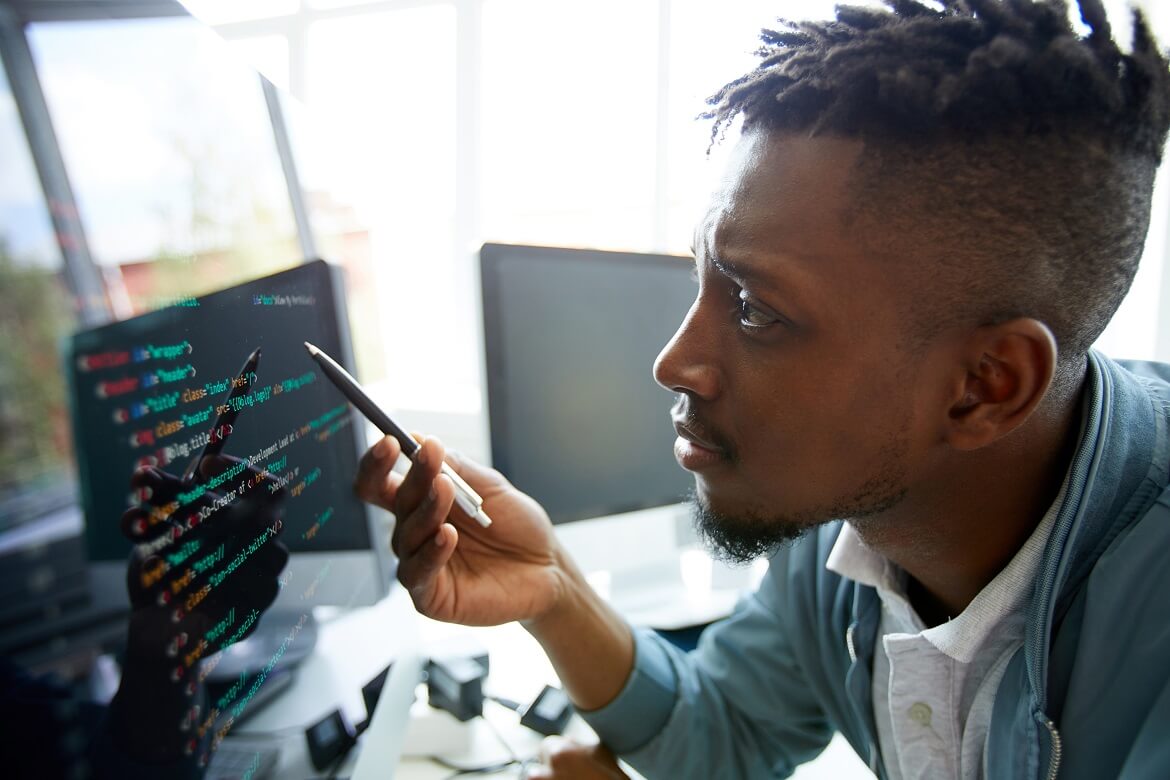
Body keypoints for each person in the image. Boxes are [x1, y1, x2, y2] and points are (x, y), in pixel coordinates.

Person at [354, 1, 1170, 778]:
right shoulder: (851, 525)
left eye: (755, 309)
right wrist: (553, 589)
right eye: (702, 279)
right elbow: (726, 734)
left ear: (985, 387)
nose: (672, 363)